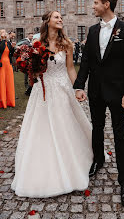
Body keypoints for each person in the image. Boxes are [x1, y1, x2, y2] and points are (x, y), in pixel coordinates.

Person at [11, 11, 94, 197]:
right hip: (43, 90)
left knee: (66, 125)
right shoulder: (36, 45)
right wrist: (31, 67)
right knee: (41, 129)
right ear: (47, 21)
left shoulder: (67, 44)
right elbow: (32, 72)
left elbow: (71, 68)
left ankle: (74, 160)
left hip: (62, 88)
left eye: (61, 17)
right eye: (56, 17)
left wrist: (78, 88)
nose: (60, 19)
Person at [73, 0, 124, 208]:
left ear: (106, 4)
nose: (92, 6)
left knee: (120, 133)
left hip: (119, 93)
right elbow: (87, 63)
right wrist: (79, 86)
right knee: (97, 128)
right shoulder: (92, 31)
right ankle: (97, 160)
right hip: (96, 91)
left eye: (95, 2)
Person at [0, 29, 16, 108]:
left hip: (8, 64)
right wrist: (3, 40)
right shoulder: (1, 42)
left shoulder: (8, 43)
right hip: (2, 64)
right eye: (3, 32)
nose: (5, 33)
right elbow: (1, 48)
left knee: (9, 81)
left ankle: (10, 101)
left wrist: (13, 48)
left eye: (5, 32)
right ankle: (3, 101)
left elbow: (11, 54)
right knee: (2, 82)